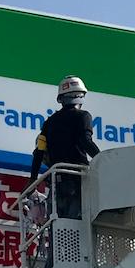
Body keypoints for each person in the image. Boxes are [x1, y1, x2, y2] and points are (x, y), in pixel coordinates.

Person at [29, 75, 101, 218]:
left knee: (57, 223)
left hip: (56, 183)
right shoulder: (83, 116)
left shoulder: (49, 122)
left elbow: (39, 151)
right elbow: (85, 142)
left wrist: (32, 180)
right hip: (77, 179)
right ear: (80, 96)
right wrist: (102, 160)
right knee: (79, 221)